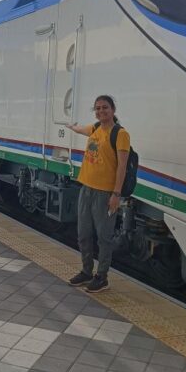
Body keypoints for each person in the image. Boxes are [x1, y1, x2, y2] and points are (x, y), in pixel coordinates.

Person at [65, 95, 130, 293]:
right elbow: (81, 129)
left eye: (105, 108)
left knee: (104, 236)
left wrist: (116, 194)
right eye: (98, 108)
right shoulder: (95, 129)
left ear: (113, 109)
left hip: (105, 193)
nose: (101, 111)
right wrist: (72, 126)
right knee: (83, 233)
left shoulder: (120, 134)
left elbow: (122, 167)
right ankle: (86, 271)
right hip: (86, 188)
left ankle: (102, 277)